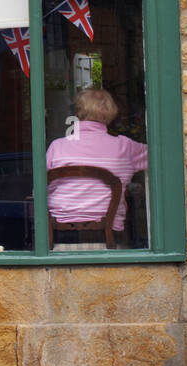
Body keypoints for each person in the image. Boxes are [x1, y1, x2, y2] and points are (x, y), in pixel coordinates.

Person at [45, 88, 148, 249]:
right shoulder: (125, 147)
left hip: (60, 239)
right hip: (110, 238)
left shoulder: (57, 147)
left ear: (78, 111)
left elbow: (40, 190)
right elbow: (161, 157)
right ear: (111, 113)